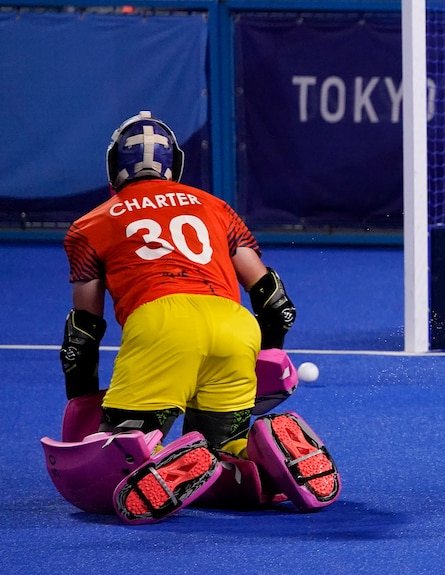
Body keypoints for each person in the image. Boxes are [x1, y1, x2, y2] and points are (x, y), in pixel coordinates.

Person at [57, 111, 340, 523]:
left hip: (161, 323)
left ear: (114, 166)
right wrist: (269, 354)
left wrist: (83, 398)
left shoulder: (88, 226)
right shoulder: (216, 208)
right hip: (234, 325)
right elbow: (275, 302)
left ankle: (149, 456)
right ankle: (262, 463)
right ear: (175, 164)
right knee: (225, 453)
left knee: (118, 456)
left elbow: (84, 330)